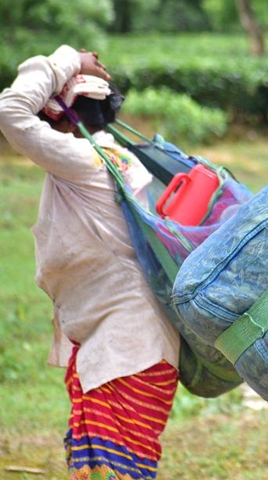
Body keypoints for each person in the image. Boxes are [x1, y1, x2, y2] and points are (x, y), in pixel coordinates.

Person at [0, 45, 180, 479]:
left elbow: (9, 110)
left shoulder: (82, 161)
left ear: (58, 113)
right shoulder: (118, 160)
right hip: (124, 347)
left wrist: (68, 59)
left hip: (126, 352)